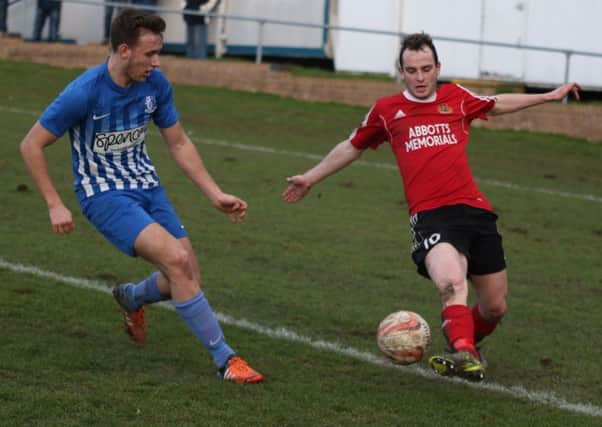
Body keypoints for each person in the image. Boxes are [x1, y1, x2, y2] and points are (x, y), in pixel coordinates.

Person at [282, 32, 580, 381]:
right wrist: (311, 178)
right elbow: (352, 146)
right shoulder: (387, 111)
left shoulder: (456, 97)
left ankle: (469, 340)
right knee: (452, 283)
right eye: (412, 70)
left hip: (476, 212)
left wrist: (549, 95)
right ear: (401, 71)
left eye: (426, 69)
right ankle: (463, 352)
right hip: (431, 216)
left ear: (438, 67)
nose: (420, 77)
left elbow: (495, 102)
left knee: (495, 306)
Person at [20, 8, 263, 384]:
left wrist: (215, 193)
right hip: (103, 195)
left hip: (147, 186)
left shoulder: (156, 84)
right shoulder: (84, 92)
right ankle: (226, 360)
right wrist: (54, 203)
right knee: (177, 260)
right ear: (123, 51)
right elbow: (31, 144)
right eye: (150, 54)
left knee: (187, 275)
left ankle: (132, 297)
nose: (156, 62)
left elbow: (178, 142)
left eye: (158, 53)